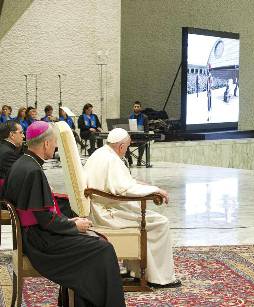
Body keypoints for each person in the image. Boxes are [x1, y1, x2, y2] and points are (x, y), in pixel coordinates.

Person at [1, 121, 125, 306]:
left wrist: (68, 221)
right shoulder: (33, 170)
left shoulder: (23, 162)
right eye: (55, 142)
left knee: (95, 243)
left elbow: (42, 212)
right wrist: (73, 224)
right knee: (102, 248)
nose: (56, 146)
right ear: (46, 144)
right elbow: (45, 220)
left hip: (31, 236)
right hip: (39, 242)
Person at [84, 128, 181, 288]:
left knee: (141, 214)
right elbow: (125, 190)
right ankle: (159, 278)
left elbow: (122, 183)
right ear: (121, 146)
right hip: (107, 214)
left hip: (99, 208)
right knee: (160, 222)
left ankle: (136, 272)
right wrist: (155, 190)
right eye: (127, 147)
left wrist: (144, 185)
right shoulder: (112, 159)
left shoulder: (100, 153)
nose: (127, 150)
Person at [0, 121, 24, 191]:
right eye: (21, 132)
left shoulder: (3, 147)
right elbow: (20, 177)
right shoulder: (8, 153)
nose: (23, 136)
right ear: (12, 135)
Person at [128, 100, 149, 166]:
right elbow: (128, 128)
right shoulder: (130, 117)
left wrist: (145, 136)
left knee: (142, 143)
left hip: (141, 136)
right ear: (133, 107)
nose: (136, 108)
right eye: (135, 106)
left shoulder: (144, 117)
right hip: (132, 136)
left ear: (140, 108)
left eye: (138, 107)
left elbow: (146, 130)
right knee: (124, 143)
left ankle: (139, 160)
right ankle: (129, 160)